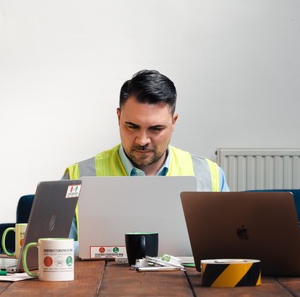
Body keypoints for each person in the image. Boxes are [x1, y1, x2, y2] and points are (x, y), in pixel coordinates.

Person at [63, 69, 229, 240]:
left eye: (156, 129)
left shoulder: (210, 176)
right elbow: (53, 251)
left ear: (174, 122)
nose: (142, 140)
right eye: (132, 126)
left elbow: (227, 245)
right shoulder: (77, 177)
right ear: (118, 117)